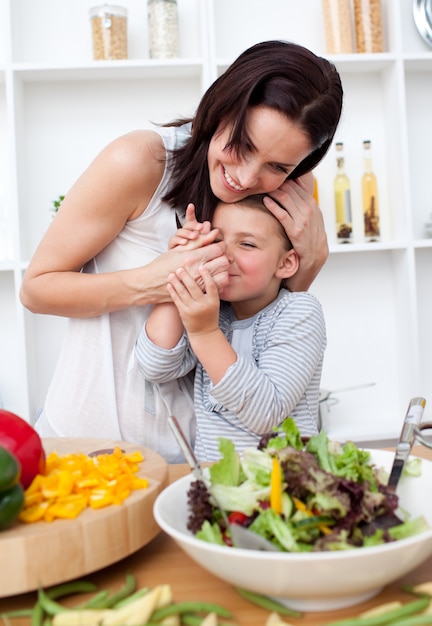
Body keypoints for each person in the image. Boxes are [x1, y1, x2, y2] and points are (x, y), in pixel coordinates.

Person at [19, 40, 343, 462]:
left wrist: (306, 271)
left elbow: (261, 321)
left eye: (279, 166)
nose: (246, 177)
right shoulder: (140, 161)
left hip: (199, 458)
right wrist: (153, 282)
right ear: (221, 107)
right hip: (93, 443)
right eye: (243, 145)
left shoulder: (293, 192)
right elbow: (37, 289)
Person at [136, 195, 326, 461]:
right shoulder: (215, 312)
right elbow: (155, 365)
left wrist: (205, 333)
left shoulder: (298, 311)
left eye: (247, 244)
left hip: (284, 487)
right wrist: (180, 268)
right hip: (219, 488)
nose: (224, 255)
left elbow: (265, 414)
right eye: (215, 241)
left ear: (285, 263)